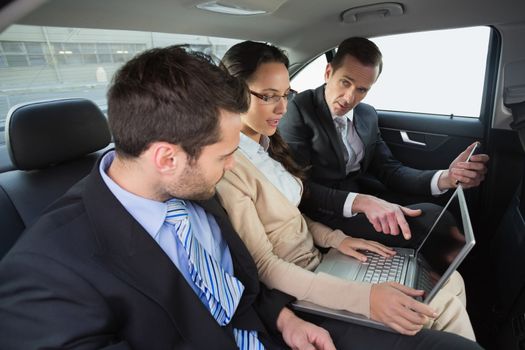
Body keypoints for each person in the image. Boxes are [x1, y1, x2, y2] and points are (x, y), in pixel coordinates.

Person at [0, 46, 337, 350]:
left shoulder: (190, 188)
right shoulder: (46, 277)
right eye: (223, 156)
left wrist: (284, 321)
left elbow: (235, 282)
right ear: (166, 158)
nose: (232, 165)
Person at [217, 40, 477, 342]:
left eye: (286, 94)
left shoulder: (265, 145)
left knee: (451, 282)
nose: (282, 108)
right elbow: (266, 265)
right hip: (301, 284)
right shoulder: (230, 165)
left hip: (321, 257)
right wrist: (366, 296)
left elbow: (292, 214)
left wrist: (339, 240)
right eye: (268, 96)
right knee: (441, 303)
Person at [278, 37, 490, 246]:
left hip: (364, 190)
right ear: (328, 73)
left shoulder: (367, 115)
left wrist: (447, 177)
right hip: (324, 207)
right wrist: (361, 202)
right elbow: (298, 185)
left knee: (443, 204)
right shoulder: (298, 110)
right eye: (345, 82)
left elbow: (389, 170)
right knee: (429, 219)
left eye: (362, 89)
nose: (349, 98)